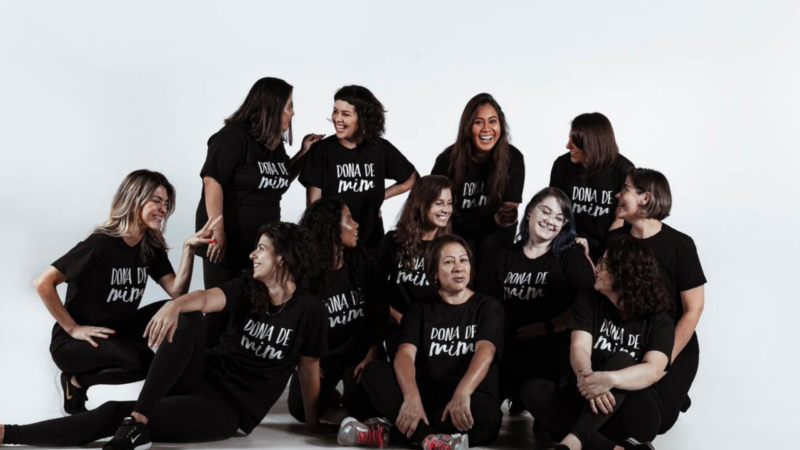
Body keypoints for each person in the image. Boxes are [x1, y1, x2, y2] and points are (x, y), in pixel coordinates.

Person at [1, 223, 330, 449]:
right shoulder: (247, 287)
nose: (252, 255)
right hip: (200, 375)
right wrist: (175, 307)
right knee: (187, 317)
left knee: (115, 412)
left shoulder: (308, 309)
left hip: (229, 411)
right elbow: (203, 299)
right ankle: (140, 421)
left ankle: (7, 433)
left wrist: (312, 424)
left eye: (261, 249)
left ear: (284, 257)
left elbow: (308, 367)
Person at [33, 169, 217, 415]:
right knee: (141, 364)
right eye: (156, 201)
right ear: (134, 199)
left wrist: (188, 249)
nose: (164, 209)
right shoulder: (101, 244)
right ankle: (75, 382)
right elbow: (43, 283)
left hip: (119, 332)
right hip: (76, 343)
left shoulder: (149, 247)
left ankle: (183, 395)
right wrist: (72, 328)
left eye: (166, 203)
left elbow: (176, 292)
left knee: (184, 313)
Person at [338, 235, 504, 450]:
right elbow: (405, 354)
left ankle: (387, 433)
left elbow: (486, 351)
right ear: (434, 272)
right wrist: (412, 397)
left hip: (468, 396)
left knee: (487, 415)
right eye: (448, 261)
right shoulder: (419, 309)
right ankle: (431, 439)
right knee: (373, 371)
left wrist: (463, 392)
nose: (458, 267)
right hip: (427, 396)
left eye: (463, 260)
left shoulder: (488, 306)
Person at [195, 76, 323, 345]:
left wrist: (302, 153)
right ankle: (203, 369)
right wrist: (217, 229)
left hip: (261, 243)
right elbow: (212, 180)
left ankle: (238, 368)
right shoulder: (232, 137)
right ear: (271, 106)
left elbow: (277, 181)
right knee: (222, 308)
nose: (293, 112)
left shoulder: (272, 143)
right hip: (227, 239)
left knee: (254, 307)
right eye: (289, 105)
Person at [520, 237, 674, 450]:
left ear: (625, 273)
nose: (598, 268)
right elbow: (579, 347)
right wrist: (586, 377)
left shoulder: (659, 319)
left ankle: (573, 441)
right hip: (588, 403)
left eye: (605, 264)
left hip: (635, 415)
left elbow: (654, 369)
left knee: (621, 359)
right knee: (532, 390)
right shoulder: (588, 299)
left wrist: (609, 380)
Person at [610, 168, 706, 434]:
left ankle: (675, 391)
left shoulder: (681, 245)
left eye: (625, 189)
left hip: (673, 344)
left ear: (645, 197)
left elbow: (694, 309)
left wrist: (665, 360)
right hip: (631, 340)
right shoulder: (615, 241)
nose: (617, 195)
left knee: (658, 424)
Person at [494, 187, 595, 411]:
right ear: (530, 211)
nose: (551, 221)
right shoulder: (504, 256)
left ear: (564, 225)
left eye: (559, 218)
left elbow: (589, 306)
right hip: (508, 349)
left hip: (551, 350)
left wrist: (546, 327)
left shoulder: (571, 257)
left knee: (546, 429)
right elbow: (488, 305)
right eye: (545, 212)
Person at [288, 196, 385, 422]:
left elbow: (380, 313)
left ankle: (351, 391)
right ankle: (330, 393)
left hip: (358, 356)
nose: (356, 225)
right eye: (349, 220)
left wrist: (373, 354)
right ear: (331, 228)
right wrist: (300, 359)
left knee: (363, 409)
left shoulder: (362, 261)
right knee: (299, 410)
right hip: (324, 357)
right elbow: (291, 319)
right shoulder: (306, 273)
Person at [299, 85, 418, 249]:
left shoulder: (379, 148)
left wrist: (378, 197)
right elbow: (313, 206)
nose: (337, 119)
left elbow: (411, 179)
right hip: (334, 246)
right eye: (335, 111)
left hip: (371, 243)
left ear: (363, 117)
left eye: (345, 114)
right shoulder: (322, 150)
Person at [431, 93, 525, 292]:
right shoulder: (447, 160)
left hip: (495, 231)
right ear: (468, 128)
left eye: (493, 121)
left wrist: (507, 215)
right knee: (461, 261)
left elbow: (510, 211)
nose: (486, 129)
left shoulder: (513, 158)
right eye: (478, 122)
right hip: (457, 230)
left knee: (489, 264)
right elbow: (432, 204)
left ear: (501, 125)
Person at [376, 175, 453, 358]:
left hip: (438, 333)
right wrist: (397, 317)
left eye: (449, 203)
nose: (446, 210)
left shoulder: (451, 246)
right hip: (400, 330)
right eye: (439, 203)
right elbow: (372, 288)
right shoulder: (393, 242)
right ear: (421, 203)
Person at [549, 112, 633, 261]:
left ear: (591, 143)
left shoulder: (623, 170)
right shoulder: (562, 166)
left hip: (610, 250)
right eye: (570, 138)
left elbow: (619, 220)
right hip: (569, 247)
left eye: (574, 140)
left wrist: (604, 261)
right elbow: (556, 213)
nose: (568, 145)